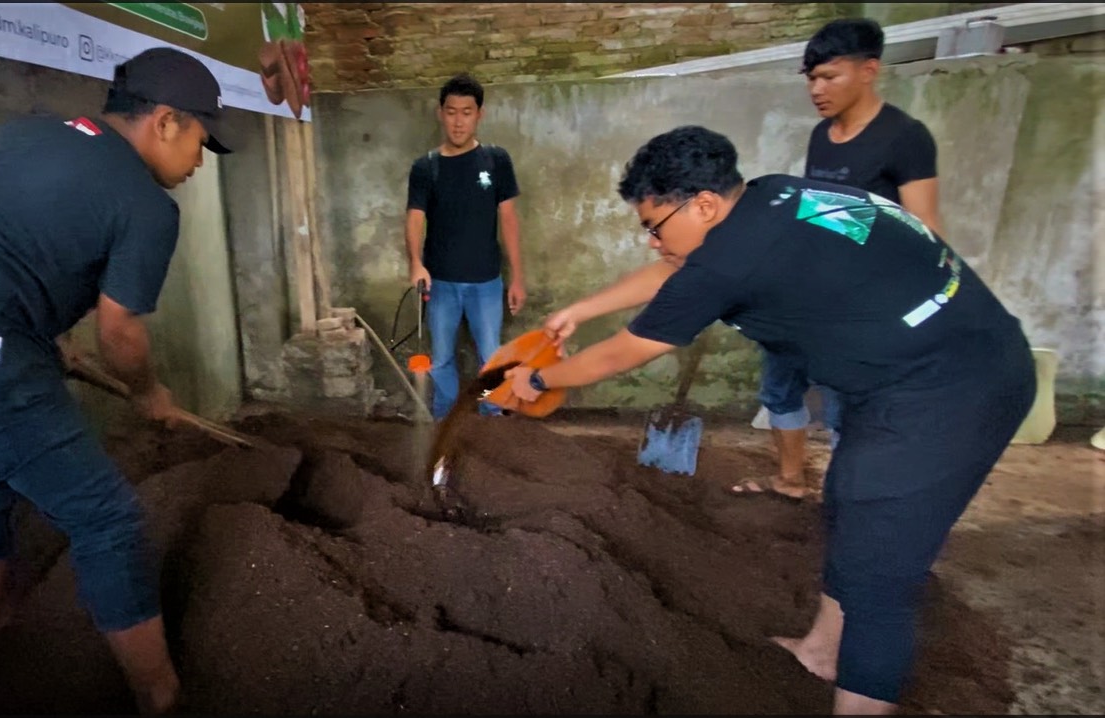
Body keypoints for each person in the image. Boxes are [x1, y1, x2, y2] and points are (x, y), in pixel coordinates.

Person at [506, 125, 1034, 714]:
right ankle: (822, 650)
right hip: (913, 366)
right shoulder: (766, 196)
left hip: (950, 390)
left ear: (703, 204)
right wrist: (581, 309)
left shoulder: (728, 260)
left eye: (653, 227)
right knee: (849, 500)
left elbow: (625, 351)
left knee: (878, 580)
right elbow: (680, 267)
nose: (650, 242)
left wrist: (536, 379)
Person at [0, 46, 235, 714]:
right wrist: (148, 394)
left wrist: (45, 336)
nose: (197, 162)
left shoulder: (34, 133)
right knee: (107, 516)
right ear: (164, 122)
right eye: (199, 140)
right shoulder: (146, 205)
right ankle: (159, 693)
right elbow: (122, 335)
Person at [740, 17, 949, 500]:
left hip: (860, 306)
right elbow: (822, 212)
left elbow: (925, 229)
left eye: (829, 76)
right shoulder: (821, 135)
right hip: (804, 295)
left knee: (845, 410)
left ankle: (851, 500)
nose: (817, 88)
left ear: (869, 70)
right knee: (778, 390)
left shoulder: (905, 137)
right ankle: (790, 480)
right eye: (811, 78)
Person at [404, 73, 527, 419]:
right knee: (441, 358)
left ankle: (491, 412)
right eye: (451, 112)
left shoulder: (496, 160)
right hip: (440, 282)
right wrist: (416, 263)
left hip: (486, 281)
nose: (458, 121)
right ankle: (447, 419)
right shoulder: (425, 167)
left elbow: (509, 220)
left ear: (479, 115)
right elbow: (414, 217)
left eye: (466, 112)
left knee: (492, 358)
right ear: (440, 113)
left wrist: (517, 278)